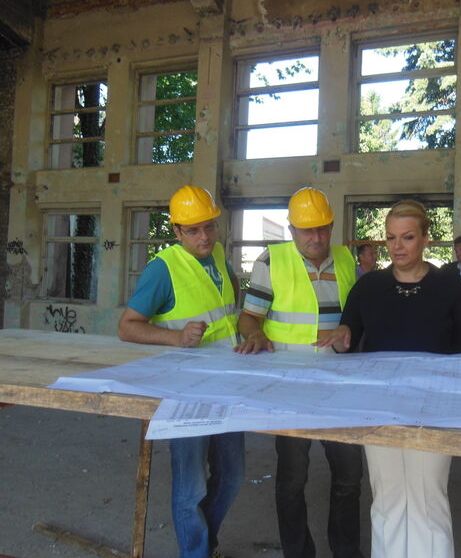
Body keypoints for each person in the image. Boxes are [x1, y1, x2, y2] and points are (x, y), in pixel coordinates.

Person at [317, 199, 461, 558]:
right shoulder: (369, 287)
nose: (397, 246)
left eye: (407, 237)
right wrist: (341, 338)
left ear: (426, 239)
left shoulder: (450, 286)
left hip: (434, 408)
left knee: (428, 499)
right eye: (391, 238)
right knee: (387, 499)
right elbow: (348, 336)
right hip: (380, 406)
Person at [236, 187, 364, 558]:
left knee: (349, 476)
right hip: (289, 387)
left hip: (339, 385)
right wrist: (255, 334)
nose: (316, 237)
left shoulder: (346, 260)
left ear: (332, 226)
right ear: (292, 229)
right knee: (293, 478)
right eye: (307, 230)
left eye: (322, 228)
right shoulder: (271, 260)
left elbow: (357, 317)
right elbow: (249, 317)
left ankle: (346, 552)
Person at [118, 185, 244, 558]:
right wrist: (176, 338)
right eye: (193, 230)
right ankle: (196, 552)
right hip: (185, 390)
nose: (204, 237)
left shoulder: (218, 255)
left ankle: (206, 543)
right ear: (176, 231)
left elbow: (231, 302)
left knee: (232, 476)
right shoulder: (163, 269)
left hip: (228, 383)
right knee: (191, 488)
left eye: (209, 227)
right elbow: (127, 327)